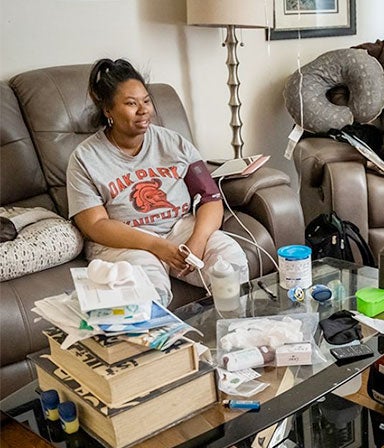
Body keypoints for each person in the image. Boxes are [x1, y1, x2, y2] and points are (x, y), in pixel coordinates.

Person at [67, 58, 249, 306]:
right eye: (131, 104)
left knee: (230, 261)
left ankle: (233, 333)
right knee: (146, 290)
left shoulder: (173, 143)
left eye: (146, 101)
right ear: (108, 110)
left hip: (179, 228)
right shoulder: (85, 158)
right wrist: (156, 246)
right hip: (126, 243)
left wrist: (197, 241)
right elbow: (95, 225)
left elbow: (210, 197)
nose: (144, 110)